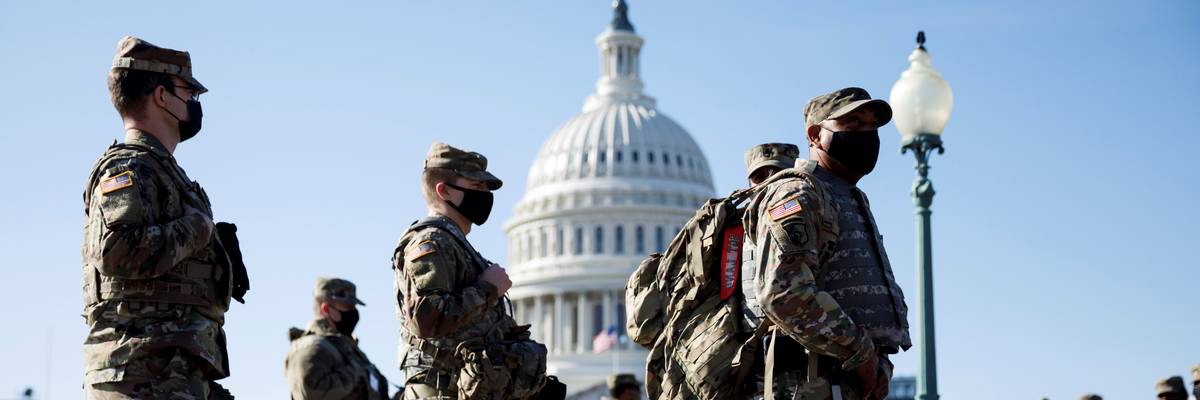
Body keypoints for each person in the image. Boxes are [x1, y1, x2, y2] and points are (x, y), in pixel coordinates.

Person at [81, 36, 247, 399]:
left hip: (171, 371)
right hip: (142, 373)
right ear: (161, 96)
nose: (193, 103)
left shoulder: (163, 172)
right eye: (189, 92)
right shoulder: (129, 167)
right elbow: (116, 252)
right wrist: (196, 229)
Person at [741, 87, 911, 399]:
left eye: (872, 126)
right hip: (808, 383)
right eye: (853, 124)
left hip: (848, 382)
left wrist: (879, 364)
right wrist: (861, 354)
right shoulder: (797, 194)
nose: (867, 134)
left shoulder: (849, 197)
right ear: (816, 135)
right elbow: (783, 292)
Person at [393, 142, 548, 399]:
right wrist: (488, 288)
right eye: (477, 187)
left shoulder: (455, 244)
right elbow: (427, 319)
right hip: (442, 389)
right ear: (444, 191)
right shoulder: (431, 242)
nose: (486, 195)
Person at [285, 278, 388, 399]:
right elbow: (310, 391)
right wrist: (357, 370)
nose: (354, 312)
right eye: (348, 307)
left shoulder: (348, 349)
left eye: (354, 307)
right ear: (326, 309)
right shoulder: (311, 346)